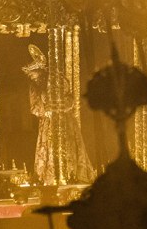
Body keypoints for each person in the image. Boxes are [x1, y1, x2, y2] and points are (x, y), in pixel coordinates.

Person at [23, 44, 95, 185]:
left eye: (33, 73)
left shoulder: (57, 81)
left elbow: (70, 100)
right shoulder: (35, 87)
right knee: (49, 149)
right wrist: (47, 110)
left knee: (69, 147)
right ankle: (50, 178)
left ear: (40, 71)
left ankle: (72, 174)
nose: (31, 76)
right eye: (30, 75)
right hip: (48, 122)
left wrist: (59, 108)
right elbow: (34, 108)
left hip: (65, 121)